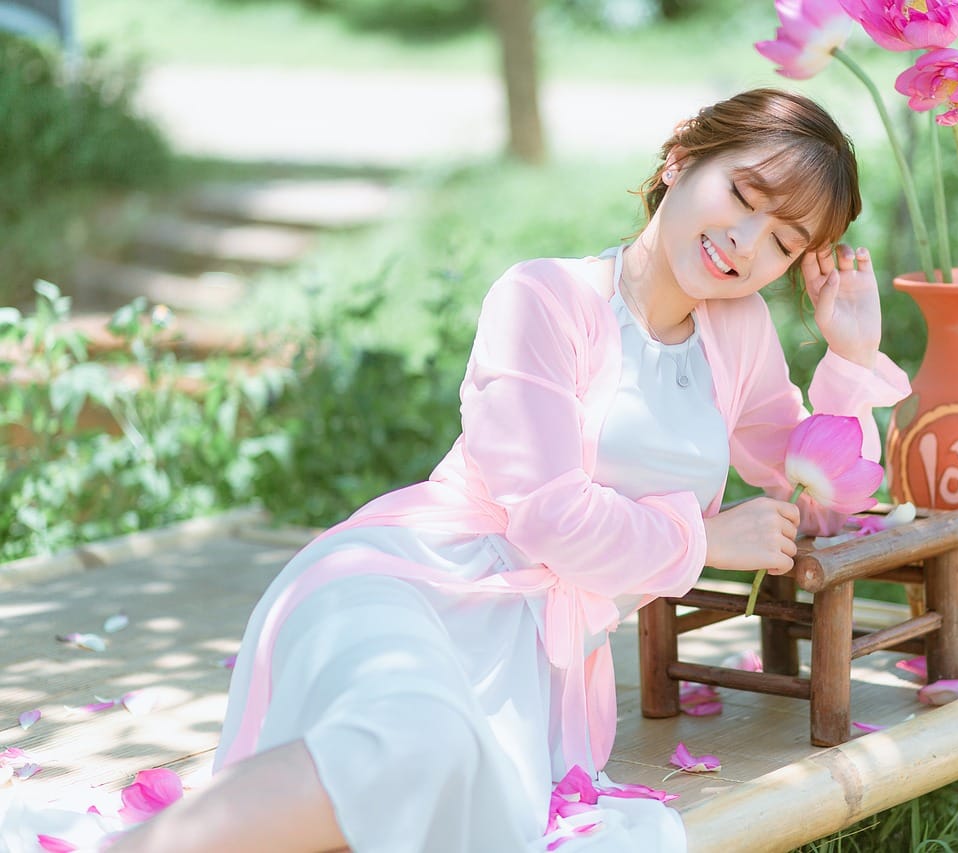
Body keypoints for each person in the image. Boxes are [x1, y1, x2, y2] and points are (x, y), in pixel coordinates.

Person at [101, 88, 909, 852]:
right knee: (405, 736)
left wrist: (851, 356)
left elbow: (815, 493)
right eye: (741, 194)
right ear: (680, 160)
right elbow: (549, 514)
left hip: (534, 669)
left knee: (434, 762)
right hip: (417, 582)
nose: (747, 242)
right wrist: (703, 540)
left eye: (784, 241)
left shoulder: (738, 332)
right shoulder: (544, 298)